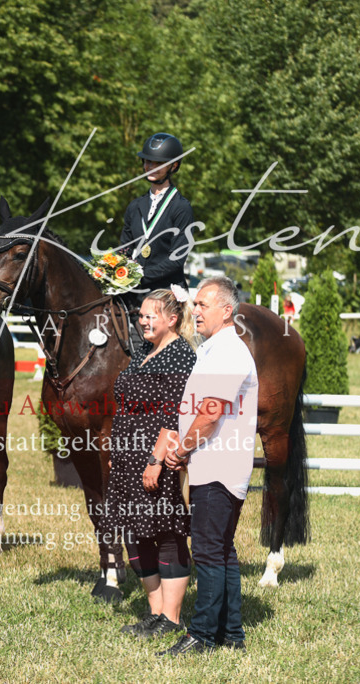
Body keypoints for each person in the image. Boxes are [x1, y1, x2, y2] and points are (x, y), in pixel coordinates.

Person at [161, 275, 258, 656]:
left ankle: (201, 635)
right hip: (211, 463)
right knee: (221, 551)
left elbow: (210, 415)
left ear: (226, 310)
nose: (195, 310)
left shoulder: (230, 352)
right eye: (195, 303)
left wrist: (181, 450)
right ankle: (231, 635)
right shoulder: (212, 349)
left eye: (203, 304)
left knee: (206, 551)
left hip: (219, 464)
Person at [104, 286, 197, 639]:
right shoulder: (144, 350)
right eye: (141, 315)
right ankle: (155, 614)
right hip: (128, 456)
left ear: (172, 319)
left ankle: (171, 618)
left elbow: (174, 415)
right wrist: (118, 453)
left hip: (156, 456)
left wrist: (156, 460)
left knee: (166, 532)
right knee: (136, 530)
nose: (142, 321)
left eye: (150, 315)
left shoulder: (180, 356)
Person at [118, 133, 195, 354]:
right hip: (133, 293)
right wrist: (113, 270)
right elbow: (125, 248)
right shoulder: (135, 206)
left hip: (166, 293)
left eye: (158, 163)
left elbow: (176, 261)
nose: (151, 166)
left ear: (174, 166)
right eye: (148, 161)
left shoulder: (181, 208)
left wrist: (139, 275)